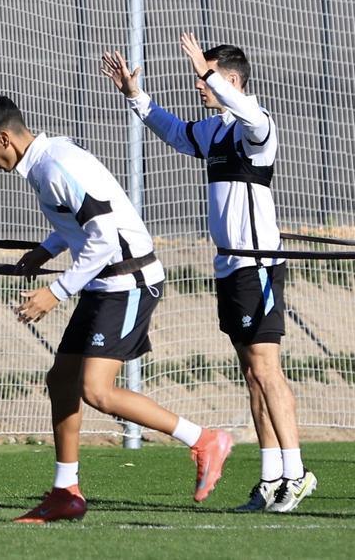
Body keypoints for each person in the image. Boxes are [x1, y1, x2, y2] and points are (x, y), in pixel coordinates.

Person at [0, 94, 233, 524]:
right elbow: (80, 221)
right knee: (62, 380)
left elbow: (104, 236)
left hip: (128, 280)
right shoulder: (45, 160)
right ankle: (65, 492)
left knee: (97, 390)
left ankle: (204, 439)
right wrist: (45, 249)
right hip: (104, 281)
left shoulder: (53, 166)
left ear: (3, 138)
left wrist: (56, 290)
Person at [101, 33, 316, 513]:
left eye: (209, 79)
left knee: (266, 368)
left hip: (257, 262)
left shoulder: (254, 127)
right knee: (251, 373)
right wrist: (135, 96)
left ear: (230, 80)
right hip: (229, 266)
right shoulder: (217, 131)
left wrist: (206, 68)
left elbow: (250, 113)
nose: (200, 86)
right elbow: (177, 132)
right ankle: (271, 478)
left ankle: (297, 472)